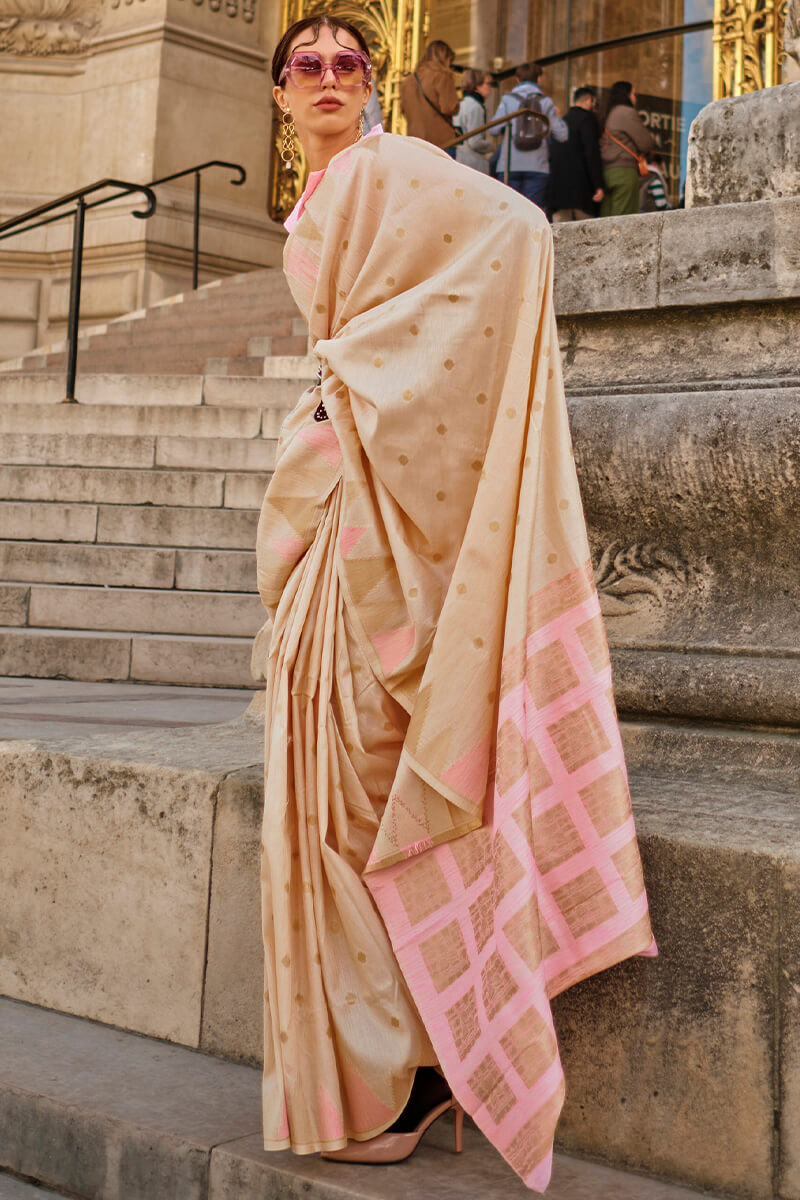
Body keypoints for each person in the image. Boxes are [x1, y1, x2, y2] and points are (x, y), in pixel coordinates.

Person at [265, 11, 656, 1191]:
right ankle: (376, 1066)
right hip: (342, 515)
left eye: (347, 62)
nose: (328, 77)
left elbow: (519, 230)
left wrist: (359, 377)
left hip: (382, 515)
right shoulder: (323, 196)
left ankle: (419, 1069)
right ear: (279, 94)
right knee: (324, 803)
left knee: (366, 798)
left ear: (374, 83)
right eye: (305, 66)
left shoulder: (394, 168)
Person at [489, 60, 568, 215]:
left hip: (509, 166)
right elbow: (563, 135)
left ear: (517, 80)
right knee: (532, 215)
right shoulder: (546, 102)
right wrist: (556, 117)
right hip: (538, 167)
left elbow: (493, 130)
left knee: (509, 214)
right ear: (538, 79)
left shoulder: (508, 100)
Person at [600, 80, 655, 217]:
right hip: (624, 172)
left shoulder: (606, 113)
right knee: (623, 221)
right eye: (634, 94)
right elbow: (646, 143)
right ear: (627, 95)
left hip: (605, 172)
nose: (635, 98)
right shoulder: (626, 112)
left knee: (606, 219)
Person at [549, 85, 604, 222]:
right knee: (586, 235)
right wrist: (598, 185)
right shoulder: (587, 119)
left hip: (559, 193)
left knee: (560, 236)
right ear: (588, 100)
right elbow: (591, 153)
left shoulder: (563, 121)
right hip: (581, 192)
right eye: (592, 102)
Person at [399, 39, 459, 151]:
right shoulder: (442, 75)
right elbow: (449, 107)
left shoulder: (408, 81)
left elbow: (404, 110)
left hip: (415, 141)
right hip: (441, 142)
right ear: (446, 58)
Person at [453, 67, 494, 173]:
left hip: (459, 159)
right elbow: (475, 141)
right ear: (477, 85)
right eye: (487, 84)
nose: (490, 88)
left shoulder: (461, 104)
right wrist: (491, 146)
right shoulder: (476, 107)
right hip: (472, 163)